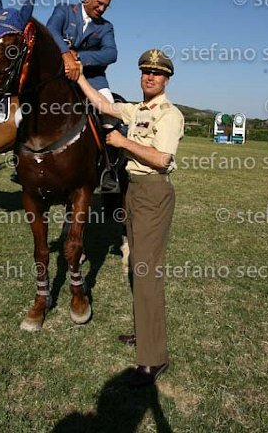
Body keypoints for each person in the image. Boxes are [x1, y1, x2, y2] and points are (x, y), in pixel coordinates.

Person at [77, 49, 184, 387]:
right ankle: (145, 334)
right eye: (145, 72)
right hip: (134, 189)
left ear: (166, 80)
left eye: (157, 73)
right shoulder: (136, 110)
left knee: (147, 271)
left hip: (153, 191)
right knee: (138, 265)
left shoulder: (169, 115)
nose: (150, 77)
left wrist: (123, 141)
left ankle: (155, 358)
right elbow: (104, 104)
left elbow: (162, 158)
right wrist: (79, 77)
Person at [46, 0, 119, 190]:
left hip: (93, 79)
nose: (102, 9)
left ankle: (108, 169)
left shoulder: (106, 27)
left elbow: (111, 54)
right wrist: (66, 55)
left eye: (106, 6)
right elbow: (51, 30)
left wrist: (78, 56)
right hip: (58, 76)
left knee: (110, 115)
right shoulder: (64, 10)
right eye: (99, 3)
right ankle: (22, 161)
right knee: (28, 109)